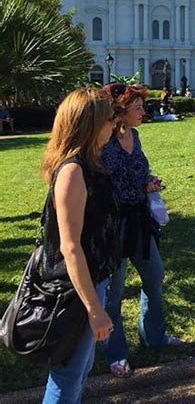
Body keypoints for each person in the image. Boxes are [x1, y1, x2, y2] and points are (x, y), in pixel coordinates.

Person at [41, 88, 121, 402]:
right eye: (109, 118)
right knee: (67, 378)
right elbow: (70, 247)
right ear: (89, 124)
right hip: (75, 293)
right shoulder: (74, 171)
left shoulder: (89, 163)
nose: (114, 124)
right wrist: (94, 309)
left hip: (91, 281)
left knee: (78, 371)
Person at [101, 84, 181, 378]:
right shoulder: (104, 141)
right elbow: (104, 186)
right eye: (137, 108)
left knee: (155, 276)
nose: (142, 113)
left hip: (140, 221)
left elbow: (139, 171)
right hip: (115, 226)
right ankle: (115, 353)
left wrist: (149, 180)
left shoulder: (134, 135)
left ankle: (154, 336)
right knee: (114, 292)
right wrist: (139, 186)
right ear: (120, 112)